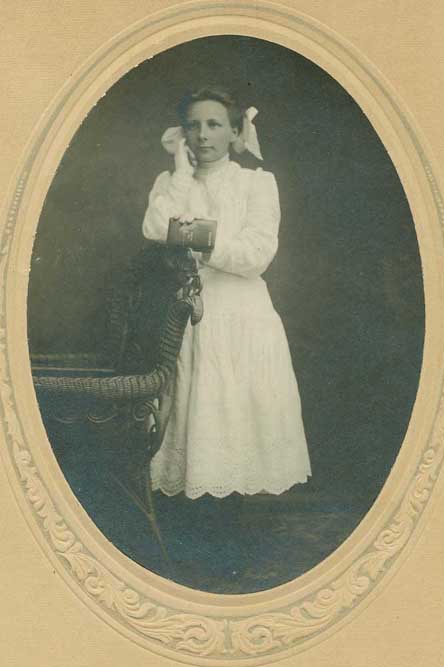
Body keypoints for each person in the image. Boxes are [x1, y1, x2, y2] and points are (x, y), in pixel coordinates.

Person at [142, 87, 311, 501]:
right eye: (193, 125)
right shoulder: (170, 183)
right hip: (186, 317)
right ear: (182, 134)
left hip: (242, 315)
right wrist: (181, 172)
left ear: (235, 132)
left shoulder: (256, 183)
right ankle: (196, 515)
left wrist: (194, 240)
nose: (203, 135)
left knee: (239, 417)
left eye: (215, 125)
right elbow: (154, 228)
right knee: (194, 412)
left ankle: (240, 516)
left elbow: (256, 255)